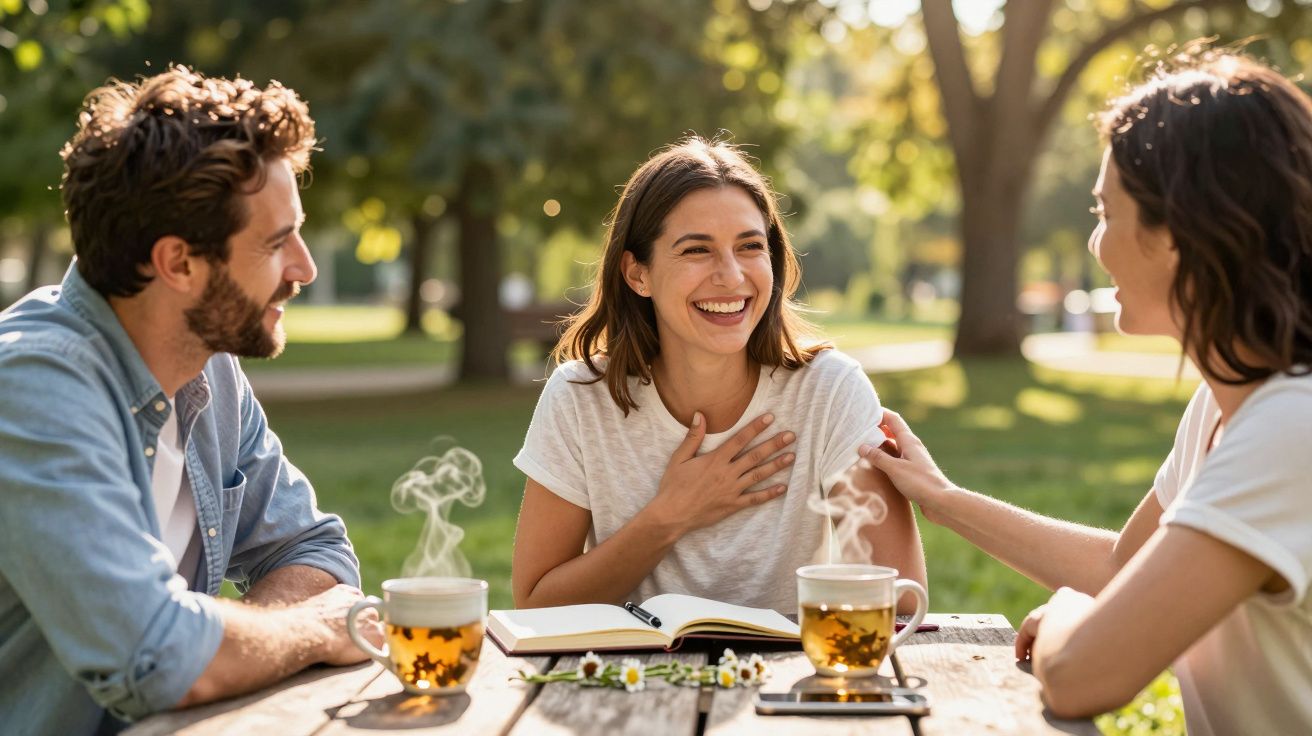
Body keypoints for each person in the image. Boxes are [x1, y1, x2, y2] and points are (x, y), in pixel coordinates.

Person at [861, 50, 1312, 733]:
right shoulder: (1225, 407)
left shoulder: (1290, 426)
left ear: (1180, 234)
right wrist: (943, 501)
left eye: (1105, 212)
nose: (1096, 244)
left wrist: (1077, 613)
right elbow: (1122, 564)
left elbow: (1078, 678)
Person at [0, 67, 382, 734]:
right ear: (177, 264)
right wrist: (309, 632)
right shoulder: (33, 386)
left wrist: (232, 644)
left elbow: (317, 554)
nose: (304, 268)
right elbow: (153, 657)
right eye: (274, 242)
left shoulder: (211, 368)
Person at [511, 137, 926, 613]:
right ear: (637, 274)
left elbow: (902, 602)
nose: (730, 276)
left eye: (750, 246)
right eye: (696, 251)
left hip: (786, 681)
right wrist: (669, 517)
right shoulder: (580, 398)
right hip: (629, 681)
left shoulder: (830, 391)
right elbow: (535, 606)